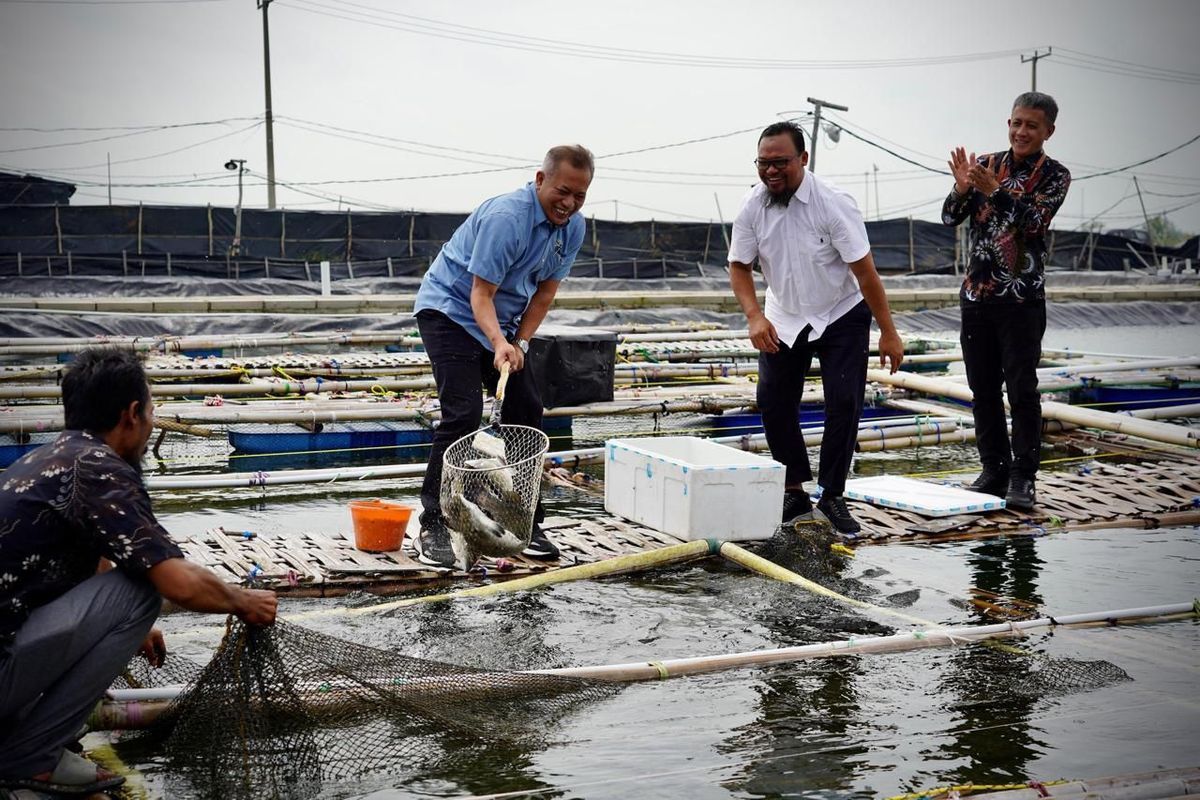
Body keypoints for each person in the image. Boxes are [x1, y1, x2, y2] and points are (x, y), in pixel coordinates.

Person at [0, 348, 277, 796]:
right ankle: (32, 758)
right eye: (150, 412)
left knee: (130, 599)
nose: (150, 424)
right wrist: (243, 601)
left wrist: (123, 628)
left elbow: (93, 550)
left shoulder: (50, 457)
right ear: (131, 415)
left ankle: (24, 738)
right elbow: (176, 582)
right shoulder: (101, 468)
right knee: (141, 593)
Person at [411, 144, 594, 568]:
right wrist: (498, 343)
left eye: (580, 196)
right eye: (563, 191)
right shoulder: (506, 219)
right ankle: (434, 521)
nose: (569, 203)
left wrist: (521, 344)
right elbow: (481, 294)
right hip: (450, 312)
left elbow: (546, 292)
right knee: (462, 412)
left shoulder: (574, 227)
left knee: (527, 406)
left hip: (504, 324)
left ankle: (523, 520)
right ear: (540, 179)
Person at [729, 121, 904, 535]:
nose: (771, 171)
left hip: (840, 312)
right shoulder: (752, 207)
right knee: (772, 399)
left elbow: (866, 275)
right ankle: (794, 490)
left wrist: (889, 332)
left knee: (844, 402)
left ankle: (832, 495)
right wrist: (755, 316)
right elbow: (739, 267)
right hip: (785, 314)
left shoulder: (832, 204)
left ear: (803, 159)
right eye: (763, 163)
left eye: (781, 163)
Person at [943, 91, 1070, 511]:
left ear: (1048, 131)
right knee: (982, 389)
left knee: (1022, 389)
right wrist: (962, 189)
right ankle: (993, 468)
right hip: (976, 296)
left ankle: (1023, 476)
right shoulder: (987, 165)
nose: (1021, 131)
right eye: (1016, 122)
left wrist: (995, 191)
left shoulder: (1055, 175)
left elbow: (1033, 224)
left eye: (1031, 125)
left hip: (1021, 299)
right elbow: (949, 217)